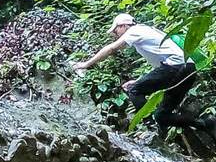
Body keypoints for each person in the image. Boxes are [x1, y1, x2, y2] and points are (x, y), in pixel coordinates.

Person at [72, 13, 202, 133]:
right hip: (187, 68)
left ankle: (151, 127)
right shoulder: (147, 30)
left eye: (116, 30)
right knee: (162, 116)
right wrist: (139, 80)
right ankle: (207, 124)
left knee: (134, 90)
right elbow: (162, 67)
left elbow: (111, 48)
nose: (116, 34)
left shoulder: (135, 30)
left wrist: (86, 64)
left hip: (176, 67)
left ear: (123, 26)